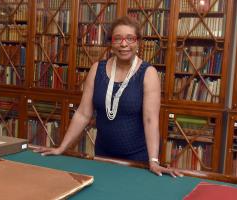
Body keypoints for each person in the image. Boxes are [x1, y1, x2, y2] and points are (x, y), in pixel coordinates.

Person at [34, 16, 182, 177]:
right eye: (117, 38)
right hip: (102, 157)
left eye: (130, 38)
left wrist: (154, 160)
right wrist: (61, 148)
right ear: (111, 43)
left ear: (138, 42)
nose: (123, 44)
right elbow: (83, 113)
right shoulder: (97, 69)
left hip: (137, 161)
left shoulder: (148, 73)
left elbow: (150, 120)